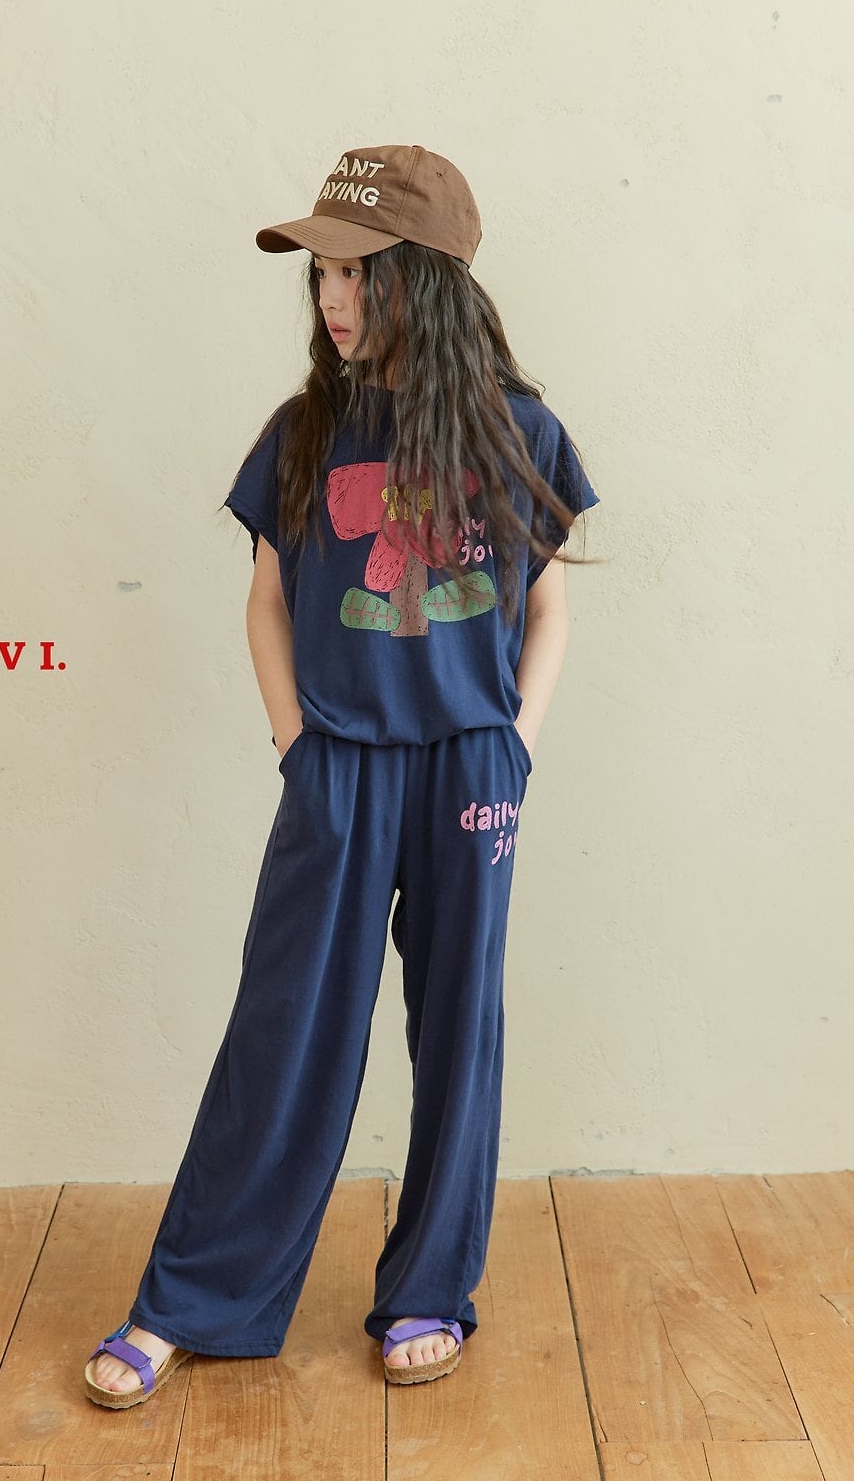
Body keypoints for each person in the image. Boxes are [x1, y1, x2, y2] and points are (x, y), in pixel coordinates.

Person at [83, 143, 601, 1409]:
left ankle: (428, 1288)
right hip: (339, 765)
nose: (331, 297)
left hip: (469, 766)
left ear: (424, 280)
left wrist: (516, 742)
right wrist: (293, 743)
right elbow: (265, 601)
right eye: (320, 273)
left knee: (458, 1030)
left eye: (357, 273)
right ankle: (192, 1298)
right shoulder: (304, 433)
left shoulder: (518, 432)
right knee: (286, 1026)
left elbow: (546, 607)